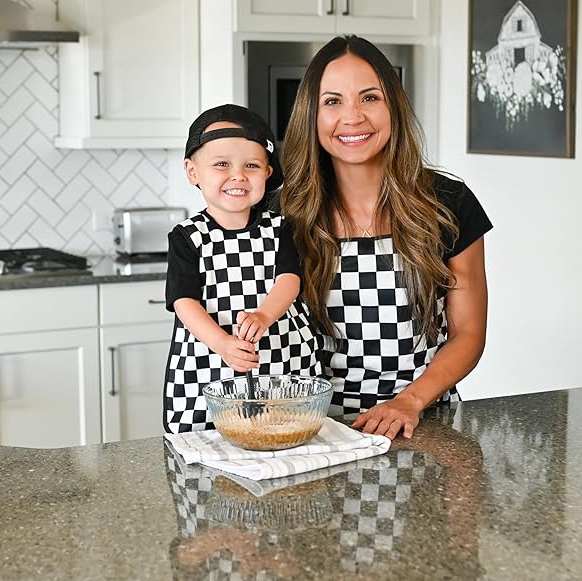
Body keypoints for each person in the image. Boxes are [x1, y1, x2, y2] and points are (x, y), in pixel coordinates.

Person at [279, 35, 493, 441]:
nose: (352, 117)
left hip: (426, 425)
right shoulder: (283, 214)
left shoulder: (448, 203)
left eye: (369, 98)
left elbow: (468, 333)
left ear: (393, 105)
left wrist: (409, 401)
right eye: (332, 101)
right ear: (311, 115)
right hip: (315, 433)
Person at [163, 104, 321, 434]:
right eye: (222, 164)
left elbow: (289, 280)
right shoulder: (187, 237)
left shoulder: (280, 228)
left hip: (281, 351)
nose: (238, 175)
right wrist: (223, 344)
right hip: (210, 357)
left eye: (251, 165)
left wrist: (264, 316)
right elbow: (184, 302)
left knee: (283, 434)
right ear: (192, 171)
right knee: (212, 443)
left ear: (267, 173)